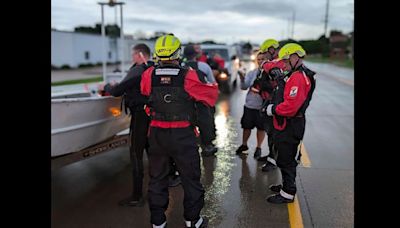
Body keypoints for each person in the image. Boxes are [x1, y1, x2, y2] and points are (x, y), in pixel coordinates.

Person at [140, 34, 218, 227]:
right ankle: (192, 220)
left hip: (157, 134)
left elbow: (145, 93)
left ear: (157, 53)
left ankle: (158, 222)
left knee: (157, 178)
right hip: (182, 134)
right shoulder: (188, 74)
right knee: (190, 178)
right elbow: (210, 96)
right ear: (178, 53)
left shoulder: (148, 74)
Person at [98, 43, 153, 207]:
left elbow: (117, 91)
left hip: (140, 116)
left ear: (139, 54)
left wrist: (106, 86)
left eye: (133, 54)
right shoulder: (152, 67)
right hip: (152, 115)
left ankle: (136, 197)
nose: (131, 58)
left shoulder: (137, 69)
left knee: (136, 154)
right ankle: (157, 189)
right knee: (152, 152)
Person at [263, 43, 316, 204]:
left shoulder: (298, 77)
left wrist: (273, 109)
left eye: (286, 61)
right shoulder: (295, 74)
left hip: (290, 124)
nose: (284, 65)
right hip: (287, 123)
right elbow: (271, 66)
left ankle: (288, 193)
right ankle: (286, 185)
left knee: (286, 159)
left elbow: (291, 106)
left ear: (295, 57)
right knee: (284, 156)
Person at [181, 44, 218, 156]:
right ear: (196, 54)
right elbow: (212, 82)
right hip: (202, 100)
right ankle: (207, 145)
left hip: (185, 100)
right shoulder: (204, 66)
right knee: (207, 121)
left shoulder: (181, 66)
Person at [255, 39, 283, 172]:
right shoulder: (271, 64)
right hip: (268, 101)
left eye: (265, 53)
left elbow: (277, 84)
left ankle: (273, 160)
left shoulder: (277, 65)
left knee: (274, 134)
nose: (264, 56)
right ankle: (271, 156)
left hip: (276, 103)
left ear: (271, 50)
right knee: (270, 132)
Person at [235, 51, 268, 158]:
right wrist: (242, 78)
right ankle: (244, 145)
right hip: (250, 105)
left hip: (262, 107)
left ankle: (258, 147)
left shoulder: (270, 74)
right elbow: (244, 87)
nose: (260, 61)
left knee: (261, 128)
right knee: (246, 127)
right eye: (258, 59)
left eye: (263, 59)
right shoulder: (252, 73)